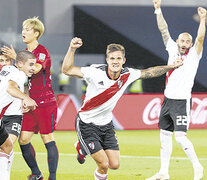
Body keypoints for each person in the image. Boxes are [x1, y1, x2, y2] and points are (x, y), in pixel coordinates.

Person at [62, 37, 183, 180]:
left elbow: (149, 72)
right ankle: (86, 150)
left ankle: (82, 148)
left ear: (123, 60)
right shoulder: (95, 71)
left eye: (118, 58)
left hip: (106, 125)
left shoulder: (128, 74)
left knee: (114, 164)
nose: (115, 61)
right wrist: (72, 48)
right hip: (86, 124)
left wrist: (171, 67)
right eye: (112, 58)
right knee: (104, 164)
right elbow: (67, 69)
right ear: (107, 60)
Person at [146, 1, 206, 180]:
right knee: (164, 137)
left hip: (181, 101)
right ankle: (164, 171)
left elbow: (200, 38)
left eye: (188, 41)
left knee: (180, 137)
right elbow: (164, 30)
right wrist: (158, 10)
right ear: (178, 42)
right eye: (183, 40)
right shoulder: (172, 48)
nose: (185, 43)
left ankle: (197, 166)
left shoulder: (194, 54)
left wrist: (203, 19)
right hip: (167, 100)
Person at [2, 17, 59, 180]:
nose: (23, 32)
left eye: (27, 29)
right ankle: (37, 173)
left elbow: (35, 69)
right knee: (23, 139)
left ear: (36, 33)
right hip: (29, 101)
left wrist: (17, 58)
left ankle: (52, 177)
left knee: (47, 137)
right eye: (23, 29)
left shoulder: (41, 51)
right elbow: (24, 80)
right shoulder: (27, 54)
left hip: (45, 100)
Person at [0, 50, 37, 180]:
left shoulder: (7, 69)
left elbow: (14, 87)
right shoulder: (20, 74)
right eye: (31, 64)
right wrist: (26, 98)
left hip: (13, 116)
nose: (34, 68)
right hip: (5, 115)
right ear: (20, 64)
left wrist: (22, 99)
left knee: (7, 147)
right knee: (7, 147)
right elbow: (10, 88)